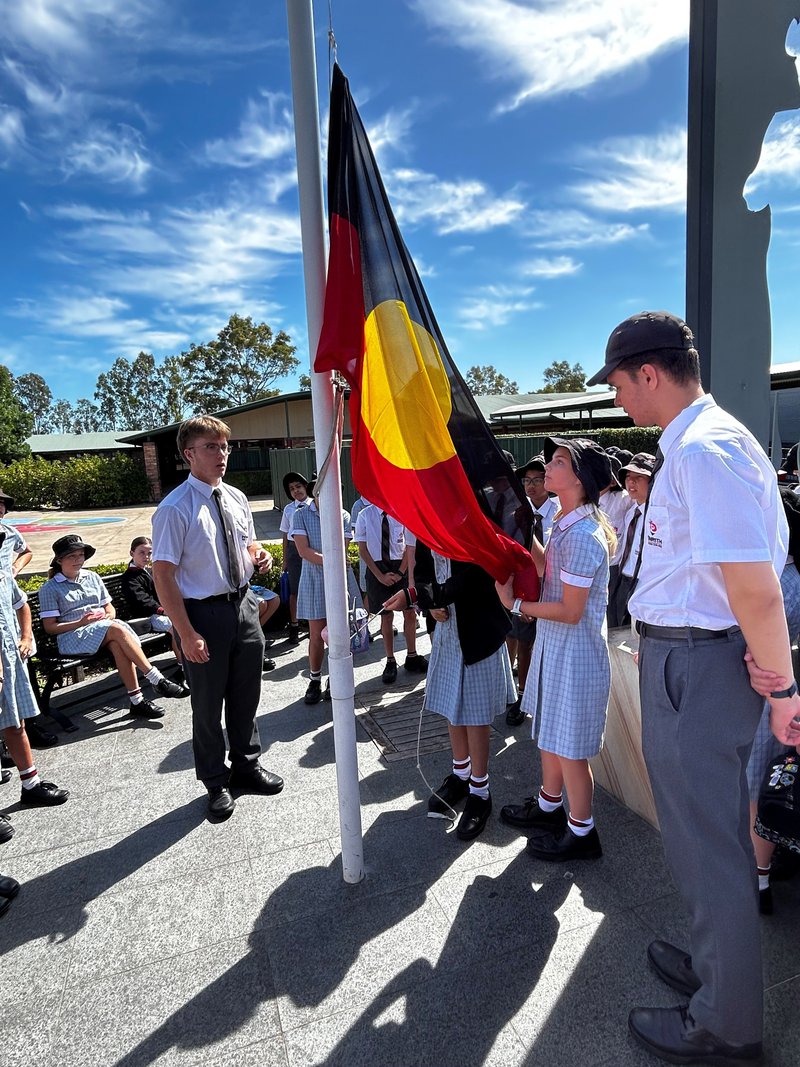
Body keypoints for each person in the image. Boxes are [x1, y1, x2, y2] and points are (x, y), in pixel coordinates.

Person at [588, 310, 800, 1066]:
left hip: (700, 667)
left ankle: (726, 1022)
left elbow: (755, 587)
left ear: (649, 373)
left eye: (616, 383)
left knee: (709, 846)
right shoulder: (704, 444)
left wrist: (782, 691)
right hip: (693, 659)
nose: (616, 399)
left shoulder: (704, 451)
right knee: (700, 838)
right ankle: (719, 969)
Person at [152, 416, 284, 820]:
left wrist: (258, 556)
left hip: (243, 605)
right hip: (202, 615)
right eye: (211, 446)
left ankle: (246, 765)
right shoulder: (175, 508)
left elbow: (248, 543)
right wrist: (186, 631)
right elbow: (163, 575)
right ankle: (214, 781)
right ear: (188, 454)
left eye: (225, 446)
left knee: (246, 696)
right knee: (207, 707)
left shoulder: (236, 497)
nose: (222, 454)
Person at [497, 438, 615, 862]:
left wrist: (516, 605)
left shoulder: (583, 535)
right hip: (558, 649)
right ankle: (549, 808)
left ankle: (583, 832)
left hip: (575, 656)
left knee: (570, 750)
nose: (548, 466)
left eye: (559, 461)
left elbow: (569, 610)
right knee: (550, 735)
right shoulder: (564, 523)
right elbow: (550, 570)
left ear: (580, 480)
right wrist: (521, 538)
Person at [389, 542, 514, 840]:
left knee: (475, 712)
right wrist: (430, 603)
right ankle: (461, 774)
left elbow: (474, 575)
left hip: (477, 626)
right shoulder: (429, 520)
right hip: (447, 625)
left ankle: (480, 791)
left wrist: (422, 596)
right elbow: (422, 569)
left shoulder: (471, 517)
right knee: (451, 703)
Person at [38, 535, 186, 720]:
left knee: (117, 643)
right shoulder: (50, 588)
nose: (78, 560)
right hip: (71, 637)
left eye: (80, 555)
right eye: (71, 556)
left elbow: (110, 609)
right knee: (116, 631)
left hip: (101, 630)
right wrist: (81, 622)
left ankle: (137, 701)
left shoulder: (92, 577)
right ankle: (157, 679)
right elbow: (50, 628)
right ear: (59, 560)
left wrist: (107, 616)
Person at [1, 561, 69, 827]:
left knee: (15, 724)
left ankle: (31, 786)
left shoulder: (3, 574)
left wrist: (27, 636)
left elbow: (21, 604)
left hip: (10, 660)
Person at [506, 456, 558, 727]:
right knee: (521, 640)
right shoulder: (517, 512)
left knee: (550, 644)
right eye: (526, 481)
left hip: (553, 588)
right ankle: (521, 695)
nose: (531, 486)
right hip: (523, 588)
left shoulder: (560, 512)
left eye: (537, 480)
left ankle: (546, 695)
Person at [353, 504, 427, 684]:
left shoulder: (402, 511)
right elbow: (362, 549)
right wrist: (380, 576)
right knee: (385, 616)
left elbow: (409, 546)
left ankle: (411, 655)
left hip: (400, 567)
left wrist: (402, 572)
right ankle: (390, 660)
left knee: (409, 612)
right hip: (377, 569)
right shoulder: (365, 514)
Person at [292, 493, 353, 704]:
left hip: (336, 580)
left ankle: (334, 679)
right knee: (316, 635)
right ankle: (315, 679)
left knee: (337, 635)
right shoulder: (300, 515)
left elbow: (343, 550)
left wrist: (335, 563)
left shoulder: (343, 515)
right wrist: (333, 560)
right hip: (313, 580)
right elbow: (303, 550)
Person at [120, 536, 188, 682]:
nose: (146, 557)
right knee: (176, 626)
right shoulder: (130, 578)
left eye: (149, 553)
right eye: (141, 553)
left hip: (162, 612)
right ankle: (183, 668)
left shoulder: (150, 571)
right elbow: (142, 601)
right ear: (132, 553)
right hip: (147, 617)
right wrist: (162, 610)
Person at [606, 452, 655, 628]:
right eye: (628, 476)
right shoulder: (631, 511)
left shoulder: (657, 514)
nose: (631, 482)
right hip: (623, 579)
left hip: (643, 582)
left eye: (639, 477)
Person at [280, 472, 311, 646]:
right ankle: (294, 626)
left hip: (311, 547)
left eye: (298, 486)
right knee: (294, 590)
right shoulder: (289, 509)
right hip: (294, 550)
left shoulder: (313, 506)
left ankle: (312, 624)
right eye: (292, 489)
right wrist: (285, 559)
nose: (296, 491)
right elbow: (285, 534)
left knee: (312, 587)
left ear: (305, 487)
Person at [0, 490, 32, 577]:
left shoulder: (10, 533)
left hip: (6, 589)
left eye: (2, 504)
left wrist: (15, 568)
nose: (0, 506)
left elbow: (27, 552)